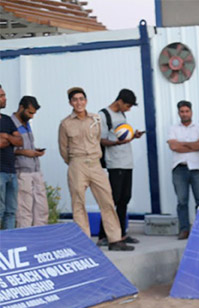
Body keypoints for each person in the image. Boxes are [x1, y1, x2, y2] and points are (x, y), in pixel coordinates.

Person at [58, 87, 133, 250]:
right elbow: (64, 149)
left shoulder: (95, 119)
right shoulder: (65, 124)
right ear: (70, 103)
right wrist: (75, 162)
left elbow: (98, 139)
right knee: (78, 203)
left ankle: (114, 240)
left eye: (81, 99)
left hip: (95, 164)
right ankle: (84, 242)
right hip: (77, 164)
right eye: (75, 100)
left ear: (86, 101)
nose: (79, 102)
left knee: (107, 201)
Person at [98, 88, 144, 245]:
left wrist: (133, 136)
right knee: (113, 200)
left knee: (125, 199)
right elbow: (101, 139)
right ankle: (104, 235)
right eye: (128, 106)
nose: (128, 109)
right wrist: (116, 143)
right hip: (115, 163)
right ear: (120, 101)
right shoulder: (103, 115)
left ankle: (121, 234)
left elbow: (122, 135)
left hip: (127, 162)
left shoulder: (122, 115)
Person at [167, 100, 199, 240]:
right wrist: (194, 145)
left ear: (191, 112)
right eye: (182, 112)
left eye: (187, 111)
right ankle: (184, 229)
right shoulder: (173, 129)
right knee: (182, 201)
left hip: (197, 169)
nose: (184, 114)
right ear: (178, 113)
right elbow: (174, 147)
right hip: (179, 169)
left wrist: (182, 144)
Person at [12, 95, 47, 228]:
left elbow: (25, 145)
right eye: (30, 112)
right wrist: (25, 152)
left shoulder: (27, 124)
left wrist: (34, 151)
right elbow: (8, 149)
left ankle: (41, 234)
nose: (32, 116)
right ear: (21, 108)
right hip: (22, 171)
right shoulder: (10, 124)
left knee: (41, 207)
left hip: (35, 169)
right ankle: (25, 235)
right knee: (24, 209)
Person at [0, 84, 22, 230]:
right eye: (1, 96)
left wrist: (6, 136)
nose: (5, 98)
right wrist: (10, 139)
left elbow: (20, 141)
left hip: (11, 172)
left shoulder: (8, 120)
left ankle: (8, 240)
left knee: (11, 211)